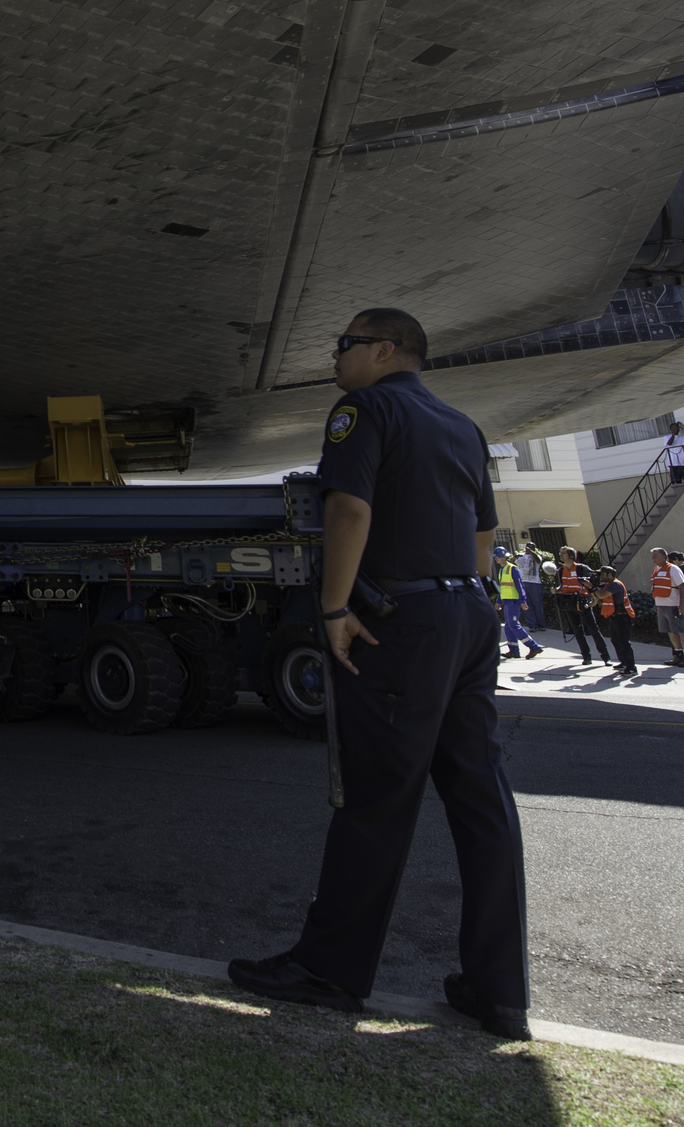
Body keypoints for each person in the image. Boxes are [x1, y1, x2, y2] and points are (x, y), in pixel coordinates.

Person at [227, 308, 528, 1039]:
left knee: (374, 799)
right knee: (482, 801)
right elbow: (484, 532)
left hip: (402, 626)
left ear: (385, 351)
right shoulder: (462, 425)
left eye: (346, 345)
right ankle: (500, 990)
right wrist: (464, 599)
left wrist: (333, 608)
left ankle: (329, 970)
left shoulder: (364, 408)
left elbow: (351, 510)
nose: (336, 357)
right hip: (467, 615)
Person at [495, 547, 542, 660]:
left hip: (513, 601)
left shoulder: (512, 569)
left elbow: (520, 586)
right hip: (507, 601)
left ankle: (534, 646)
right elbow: (502, 587)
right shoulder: (502, 569)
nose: (496, 559)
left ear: (502, 557)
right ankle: (514, 651)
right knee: (508, 627)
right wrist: (499, 601)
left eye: (497, 557)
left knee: (513, 625)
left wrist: (522, 601)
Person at [552, 548, 597, 666]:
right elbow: (562, 585)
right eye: (560, 553)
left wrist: (594, 599)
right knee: (578, 632)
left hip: (582, 602)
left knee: (593, 629)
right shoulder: (561, 570)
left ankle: (604, 655)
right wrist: (556, 590)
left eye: (563, 553)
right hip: (569, 603)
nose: (560, 555)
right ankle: (586, 656)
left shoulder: (582, 568)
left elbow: (594, 584)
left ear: (571, 555)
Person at [594, 566, 639, 677]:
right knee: (616, 640)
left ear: (610, 574)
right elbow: (598, 596)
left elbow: (602, 595)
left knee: (624, 642)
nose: (600, 576)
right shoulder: (608, 585)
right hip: (615, 617)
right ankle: (624, 662)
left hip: (622, 617)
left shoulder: (615, 584)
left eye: (602, 574)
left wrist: (592, 587)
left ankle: (631, 667)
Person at [650, 548, 684, 665]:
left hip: (673, 605)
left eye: (655, 556)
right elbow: (656, 588)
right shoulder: (656, 570)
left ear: (664, 556)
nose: (653, 559)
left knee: (681, 631)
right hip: (662, 605)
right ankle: (677, 655)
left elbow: (682, 587)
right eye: (652, 556)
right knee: (670, 631)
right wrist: (656, 603)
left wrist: (682, 605)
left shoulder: (673, 569)